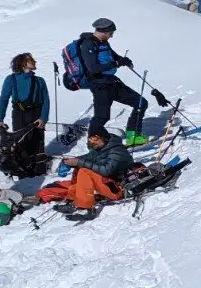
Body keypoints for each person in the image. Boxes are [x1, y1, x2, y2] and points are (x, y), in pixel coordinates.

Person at [77, 18, 153, 146]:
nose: (112, 36)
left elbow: (113, 56)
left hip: (112, 82)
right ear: (103, 31)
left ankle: (133, 136)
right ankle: (93, 145)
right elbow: (93, 68)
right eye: (110, 32)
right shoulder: (87, 44)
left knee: (140, 103)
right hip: (99, 84)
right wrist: (117, 63)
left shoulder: (104, 42)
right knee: (102, 117)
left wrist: (123, 60)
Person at [35, 125, 133, 215]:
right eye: (91, 139)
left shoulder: (117, 151)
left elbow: (106, 170)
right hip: (108, 183)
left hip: (118, 189)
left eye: (96, 139)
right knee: (80, 167)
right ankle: (72, 200)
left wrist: (79, 163)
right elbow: (85, 158)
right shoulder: (101, 148)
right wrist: (69, 162)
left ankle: (84, 207)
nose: (93, 142)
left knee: (85, 171)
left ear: (104, 137)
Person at [0, 53, 49, 175]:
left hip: (36, 114)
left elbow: (46, 100)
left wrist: (43, 118)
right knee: (20, 142)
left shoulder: (39, 81)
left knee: (38, 141)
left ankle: (39, 171)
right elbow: (4, 99)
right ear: (23, 63)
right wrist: (0, 119)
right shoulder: (11, 79)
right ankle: (24, 172)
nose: (34, 61)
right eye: (31, 60)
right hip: (19, 114)